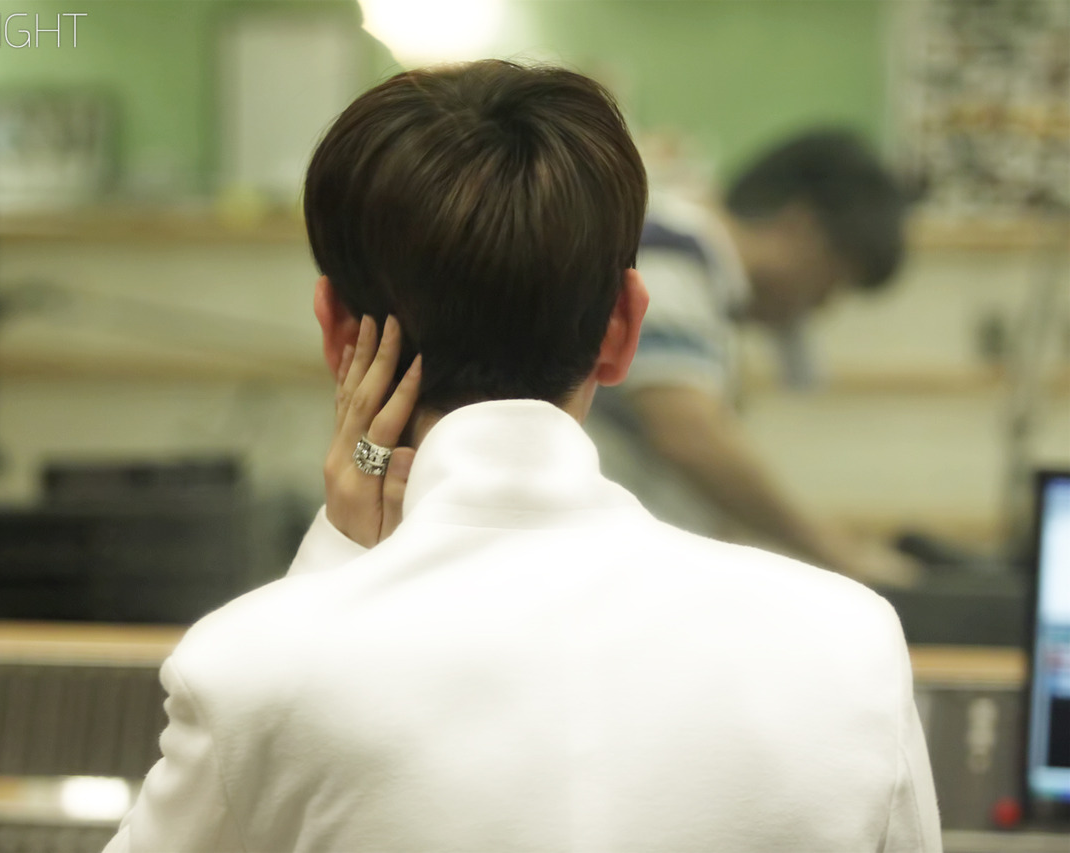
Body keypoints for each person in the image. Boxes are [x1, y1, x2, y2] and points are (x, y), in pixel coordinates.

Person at [104, 61, 940, 852]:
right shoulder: (852, 644)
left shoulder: (252, 667)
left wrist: (334, 563)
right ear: (624, 330)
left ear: (335, 333)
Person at [589, 130, 922, 587]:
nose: (823, 305)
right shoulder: (670, 255)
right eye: (834, 281)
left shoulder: (700, 277)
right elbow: (689, 436)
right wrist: (843, 556)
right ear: (802, 228)